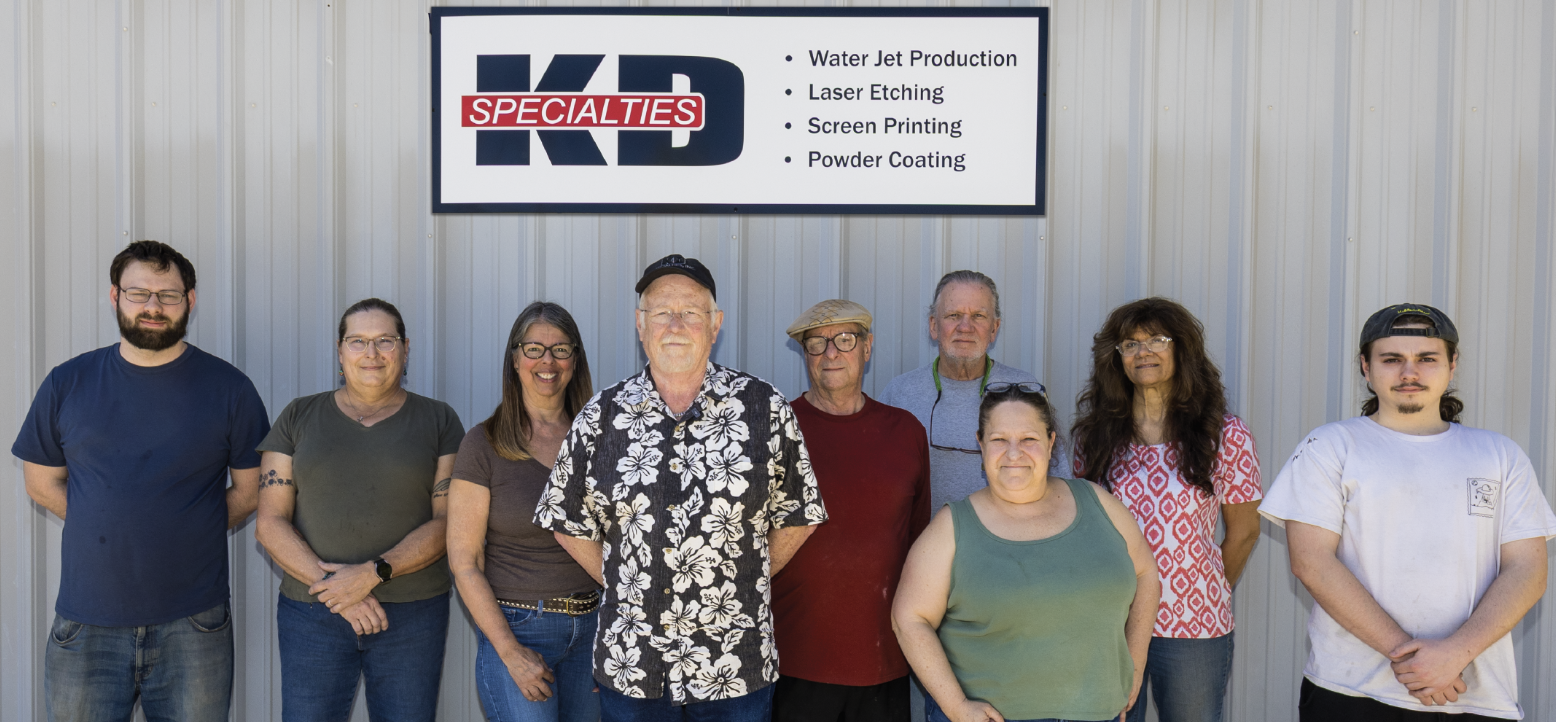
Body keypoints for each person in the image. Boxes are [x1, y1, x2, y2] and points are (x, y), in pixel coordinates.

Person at [536, 254, 828, 721]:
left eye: (691, 311)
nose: (675, 325)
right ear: (640, 324)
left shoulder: (764, 408)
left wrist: (742, 578)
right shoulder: (601, 416)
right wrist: (631, 584)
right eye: (661, 312)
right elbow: (565, 520)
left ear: (715, 324)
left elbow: (799, 515)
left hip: (734, 664)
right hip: (633, 664)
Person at [12, 240, 271, 722]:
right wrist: (105, 522)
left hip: (194, 624)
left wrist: (186, 527)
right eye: (139, 293)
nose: (153, 306)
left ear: (189, 301)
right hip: (86, 622)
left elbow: (253, 489)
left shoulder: (230, 389)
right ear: (115, 296)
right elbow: (41, 483)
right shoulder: (67, 383)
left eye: (168, 295)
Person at [1261, 303, 1556, 721]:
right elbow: (1311, 561)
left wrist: (1455, 654)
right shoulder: (1330, 447)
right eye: (1391, 359)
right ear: (1365, 367)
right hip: (1353, 689)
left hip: (1476, 692)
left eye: (1427, 358)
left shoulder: (1499, 454)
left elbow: (1528, 570)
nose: (1409, 372)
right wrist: (1411, 658)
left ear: (1452, 365)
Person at [892, 384, 1160, 722]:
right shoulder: (952, 528)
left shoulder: (1099, 504)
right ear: (980, 445)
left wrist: (1135, 663)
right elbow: (909, 618)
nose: (1014, 453)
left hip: (1100, 713)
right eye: (999, 439)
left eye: (1028, 439)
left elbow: (1146, 573)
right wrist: (956, 706)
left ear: (1050, 442)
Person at [255, 298, 465, 722]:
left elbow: (448, 523)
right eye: (358, 341)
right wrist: (336, 589)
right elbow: (269, 522)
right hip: (312, 612)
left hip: (411, 613)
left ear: (405, 348)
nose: (371, 353)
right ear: (340, 350)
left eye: (385, 340)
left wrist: (371, 574)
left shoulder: (439, 420)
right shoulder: (298, 415)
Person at [1070, 298, 1262, 722]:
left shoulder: (1225, 434)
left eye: (1157, 339)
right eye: (1130, 344)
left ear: (1182, 349)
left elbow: (1245, 531)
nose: (1144, 352)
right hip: (1113, 619)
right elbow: (1083, 529)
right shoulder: (1095, 436)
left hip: (1194, 622)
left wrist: (1206, 586)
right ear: (1116, 358)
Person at [772, 299, 932, 722]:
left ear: (867, 347)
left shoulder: (906, 432)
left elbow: (918, 544)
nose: (831, 353)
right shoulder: (777, 431)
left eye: (844, 339)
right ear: (805, 354)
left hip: (884, 660)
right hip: (794, 659)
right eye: (817, 343)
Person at [448, 301, 602, 722]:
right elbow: (465, 561)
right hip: (519, 627)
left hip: (595, 628)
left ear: (575, 360)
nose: (547, 361)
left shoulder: (600, 439)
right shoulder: (483, 445)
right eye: (534, 349)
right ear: (515, 359)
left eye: (560, 349)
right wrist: (510, 651)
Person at [880, 270, 1062, 513]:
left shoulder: (1025, 389)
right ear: (934, 326)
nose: (965, 327)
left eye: (978, 316)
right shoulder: (899, 394)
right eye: (953, 315)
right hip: (924, 537)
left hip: (1005, 535)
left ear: (994, 329)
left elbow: (1058, 482)